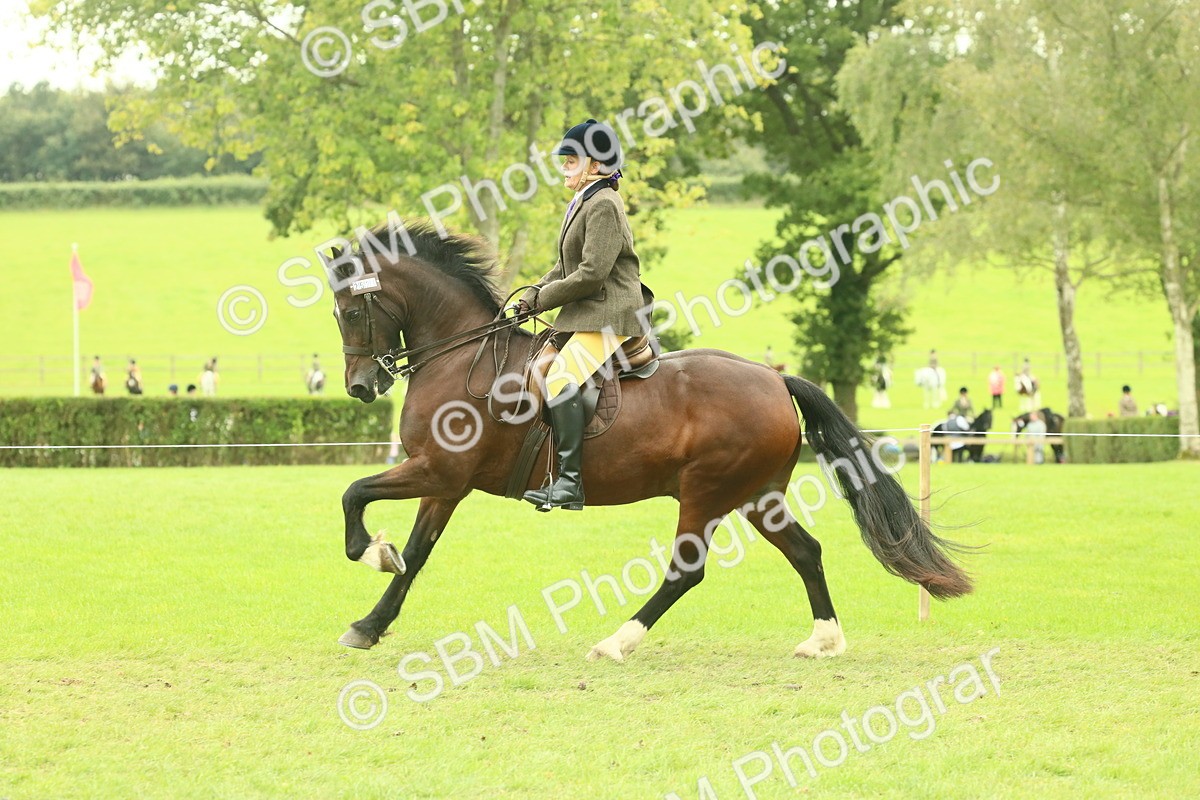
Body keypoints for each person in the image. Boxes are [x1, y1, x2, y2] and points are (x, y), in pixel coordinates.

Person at [510, 118, 652, 512]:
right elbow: (564, 266)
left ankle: (570, 484)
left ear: (595, 165)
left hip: (610, 313)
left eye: (571, 161)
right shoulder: (586, 201)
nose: (564, 168)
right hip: (588, 312)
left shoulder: (604, 204)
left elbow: (590, 275)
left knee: (561, 377)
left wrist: (544, 301)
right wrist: (532, 293)